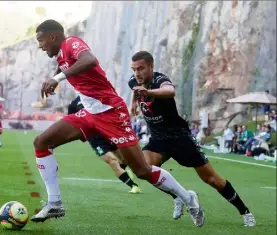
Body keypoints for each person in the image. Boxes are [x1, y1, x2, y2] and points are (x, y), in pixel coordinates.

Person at [31, 19, 204, 227]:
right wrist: (53, 79)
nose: (40, 46)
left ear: (53, 36)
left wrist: (57, 78)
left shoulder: (71, 43)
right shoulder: (60, 56)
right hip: (89, 113)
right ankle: (55, 203)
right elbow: (75, 70)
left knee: (142, 171)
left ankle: (188, 197)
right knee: (41, 142)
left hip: (111, 112)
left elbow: (89, 60)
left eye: (41, 40)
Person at [128, 51, 256, 227]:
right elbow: (135, 90)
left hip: (180, 138)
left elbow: (169, 91)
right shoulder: (134, 82)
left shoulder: (159, 80)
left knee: (212, 179)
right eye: (134, 69)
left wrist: (148, 92)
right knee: (144, 170)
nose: (137, 73)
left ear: (151, 66)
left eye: (141, 68)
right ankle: (181, 197)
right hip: (158, 139)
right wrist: (134, 103)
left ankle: (245, 212)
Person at [68, 96, 141, 194]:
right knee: (112, 161)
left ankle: (124, 170)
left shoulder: (99, 95)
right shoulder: (74, 103)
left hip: (109, 131)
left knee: (124, 159)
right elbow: (71, 120)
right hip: (94, 138)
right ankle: (133, 186)